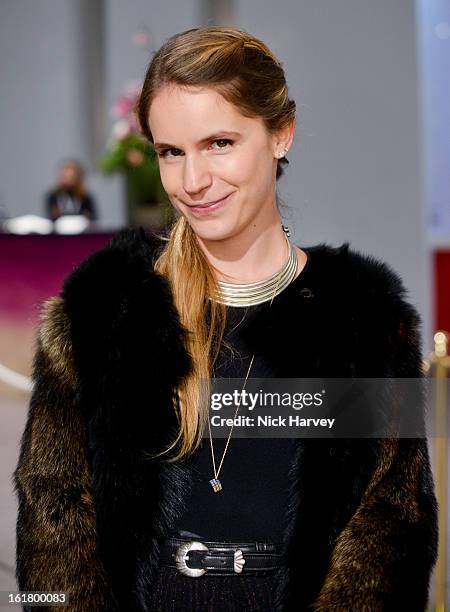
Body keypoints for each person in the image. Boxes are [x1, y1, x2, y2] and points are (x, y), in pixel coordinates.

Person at [14, 26, 437, 612]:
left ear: (280, 135)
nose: (192, 182)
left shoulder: (362, 322)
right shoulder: (100, 317)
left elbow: (393, 534)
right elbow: (49, 532)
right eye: (171, 152)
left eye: (219, 143)